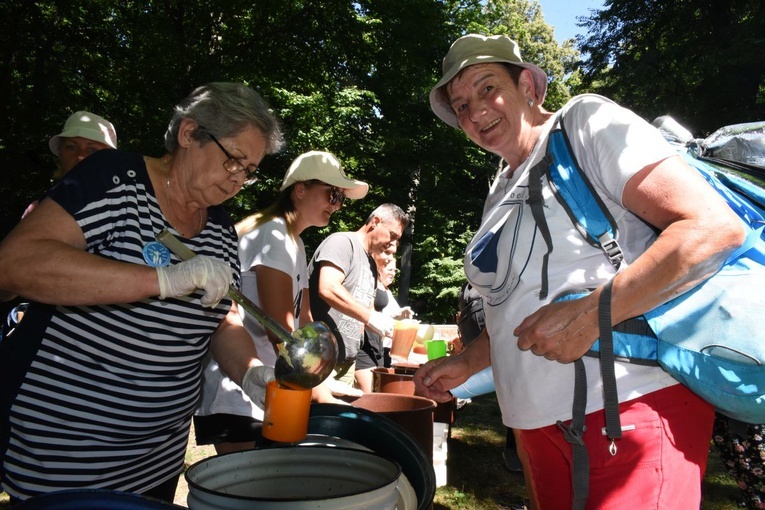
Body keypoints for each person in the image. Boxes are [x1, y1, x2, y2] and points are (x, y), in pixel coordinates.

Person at [414, 34, 746, 509]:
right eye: (461, 105)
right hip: (536, 425)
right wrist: (467, 362)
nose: (475, 112)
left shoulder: (583, 123)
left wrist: (594, 313)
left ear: (528, 84)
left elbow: (711, 228)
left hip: (626, 409)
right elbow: (518, 312)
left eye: (487, 88)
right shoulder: (500, 188)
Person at [0, 82, 283, 504]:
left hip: (158, 460)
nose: (239, 179)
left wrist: (249, 372)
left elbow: (223, 317)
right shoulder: (112, 180)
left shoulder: (221, 227)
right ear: (189, 134)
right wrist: (162, 280)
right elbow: (15, 265)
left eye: (250, 169)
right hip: (67, 457)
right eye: (234, 161)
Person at [194, 150, 369, 454]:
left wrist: (327, 382)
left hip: (266, 390)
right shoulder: (274, 235)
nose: (336, 205)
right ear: (300, 190)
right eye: (332, 194)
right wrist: (321, 393)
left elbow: (306, 325)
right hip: (241, 393)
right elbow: (282, 333)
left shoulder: (294, 241)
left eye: (340, 198)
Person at [2, 111, 119, 339]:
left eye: (92, 150)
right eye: (71, 147)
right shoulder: (39, 209)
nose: (80, 156)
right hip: (39, 335)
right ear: (60, 154)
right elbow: (7, 285)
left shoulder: (127, 212)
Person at [308, 203, 409, 388]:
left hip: (347, 360)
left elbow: (366, 312)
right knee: (315, 414)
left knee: (342, 415)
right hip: (317, 357)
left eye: (397, 240)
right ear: (375, 222)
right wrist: (371, 318)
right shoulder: (342, 242)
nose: (394, 246)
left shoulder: (371, 263)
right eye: (392, 236)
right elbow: (328, 287)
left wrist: (393, 328)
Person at [355, 251, 413, 392]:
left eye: (395, 270)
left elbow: (383, 315)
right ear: (379, 268)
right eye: (390, 269)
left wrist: (398, 315)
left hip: (378, 347)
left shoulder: (384, 289)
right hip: (363, 347)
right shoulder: (367, 281)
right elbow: (362, 310)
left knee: (378, 392)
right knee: (371, 396)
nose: (393, 273)